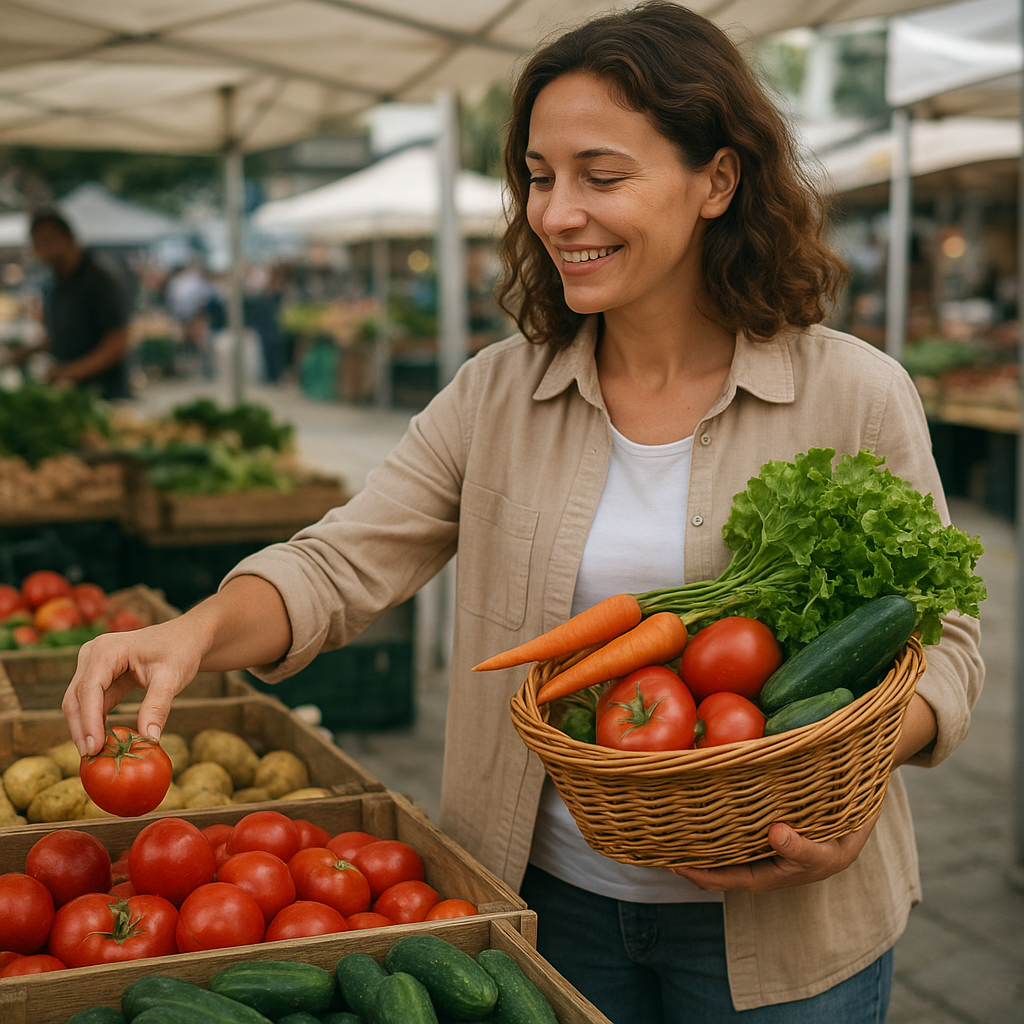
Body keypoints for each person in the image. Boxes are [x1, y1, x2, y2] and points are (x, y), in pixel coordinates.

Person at [62, 4, 983, 1021]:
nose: (556, 214)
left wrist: (849, 779)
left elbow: (944, 640)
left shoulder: (854, 393)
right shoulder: (497, 394)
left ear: (717, 180)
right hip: (545, 908)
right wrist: (194, 634)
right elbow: (339, 566)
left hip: (793, 922)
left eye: (601, 176)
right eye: (540, 178)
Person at [8, 209, 133, 400]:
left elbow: (117, 343)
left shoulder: (100, 279)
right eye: (37, 245)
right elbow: (56, 337)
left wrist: (68, 373)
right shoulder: (54, 283)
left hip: (105, 394)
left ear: (69, 238)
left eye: (47, 241)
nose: (42, 251)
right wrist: (20, 354)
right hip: (72, 393)